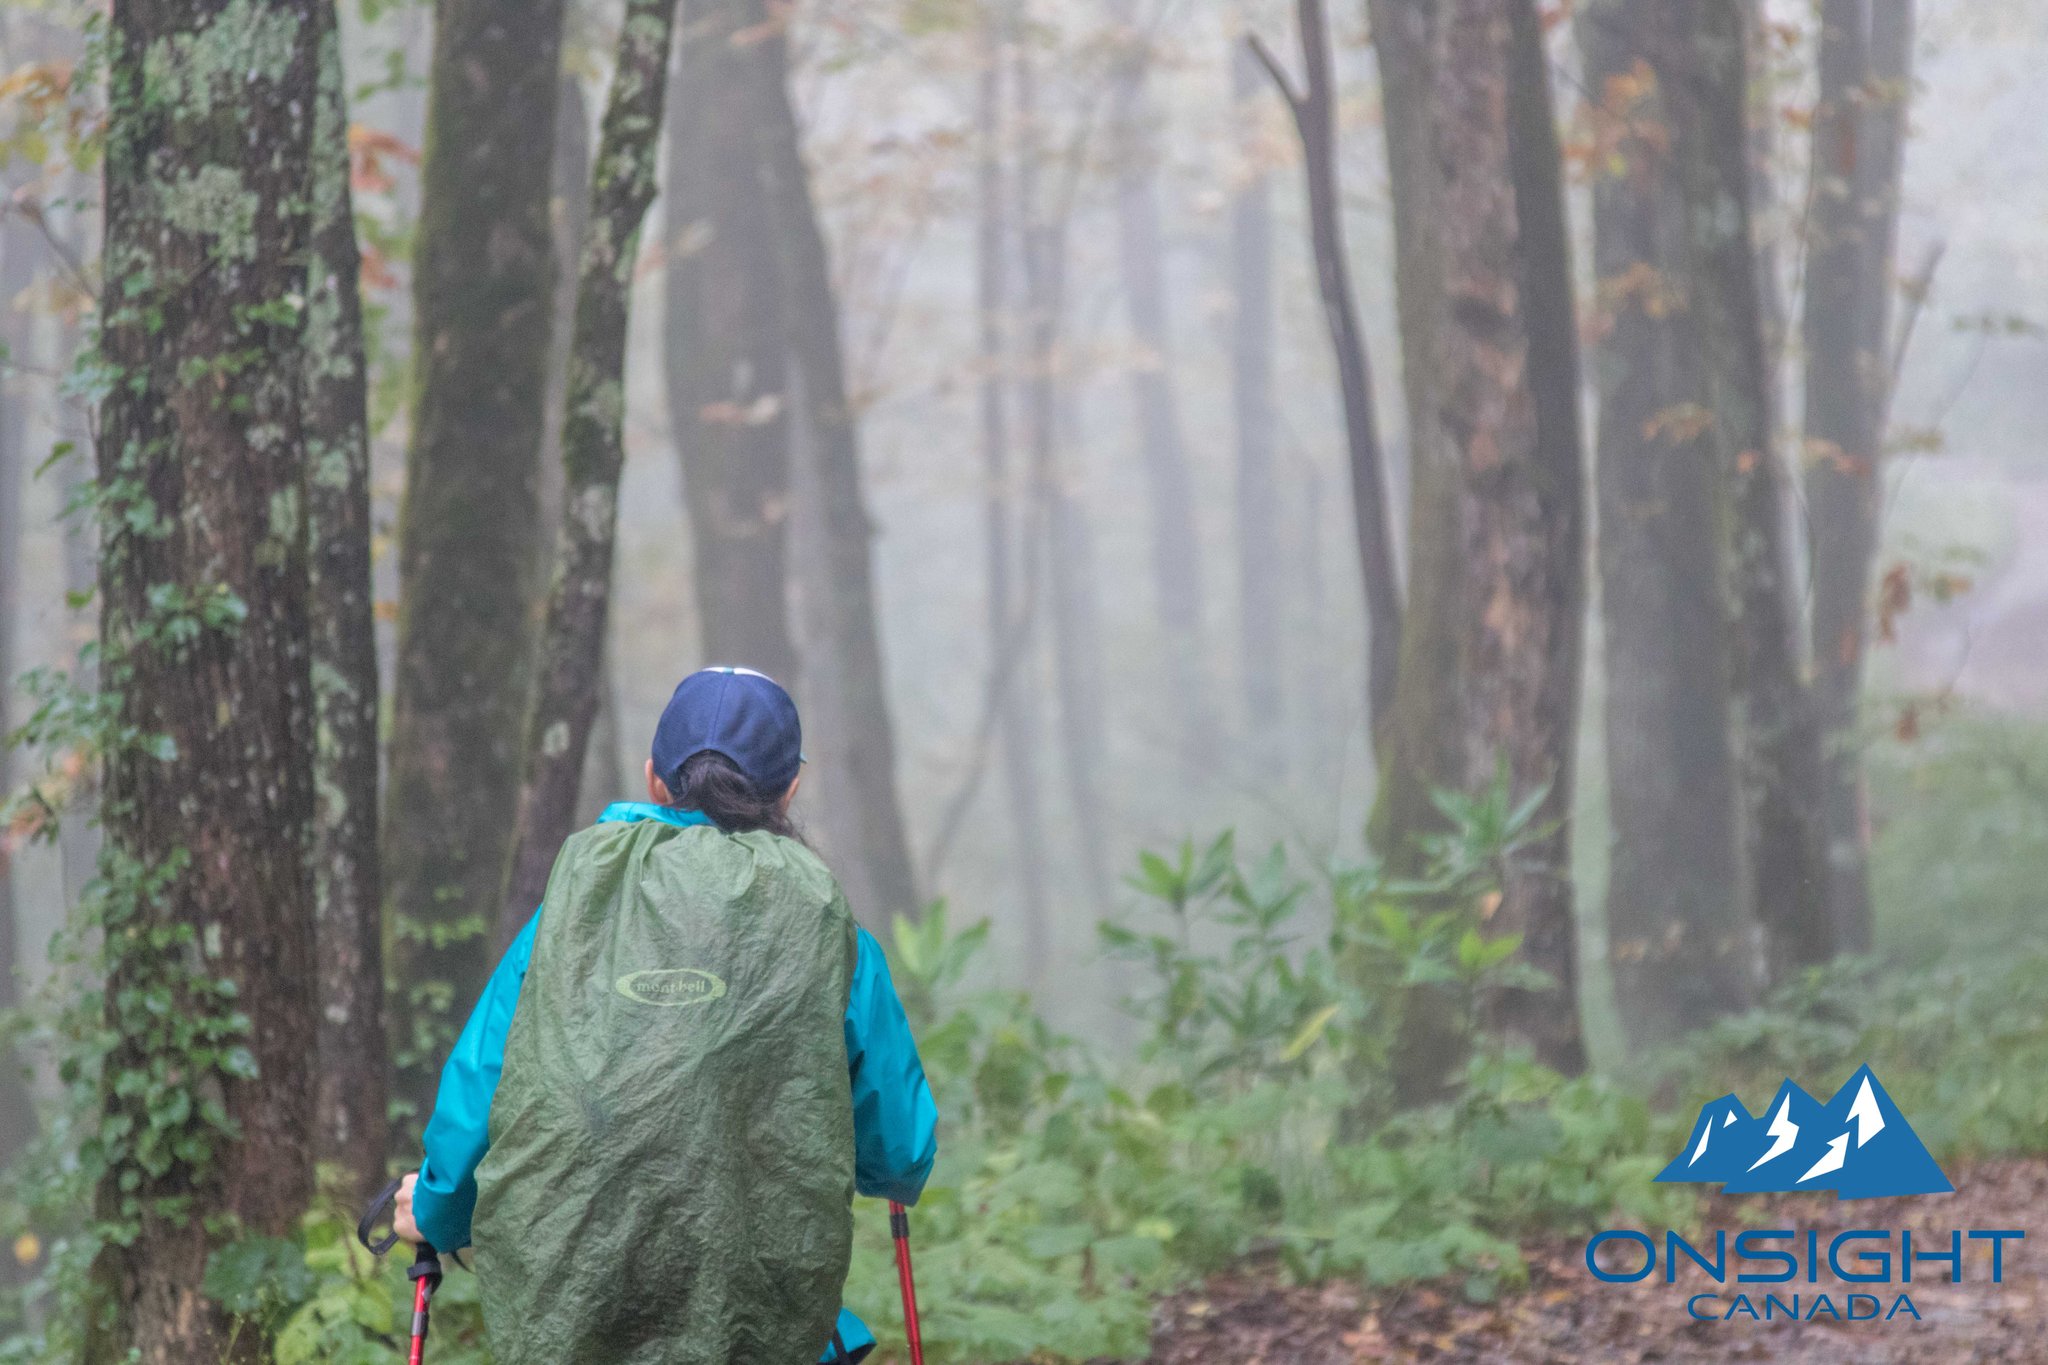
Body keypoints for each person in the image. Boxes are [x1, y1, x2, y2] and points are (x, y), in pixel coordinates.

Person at [391, 666, 938, 1365]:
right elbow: (902, 1150)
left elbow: (485, 1081)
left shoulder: (569, 914)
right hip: (755, 1318)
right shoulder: (831, 932)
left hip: (571, 1304)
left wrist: (435, 1211)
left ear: (655, 778)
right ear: (789, 788)